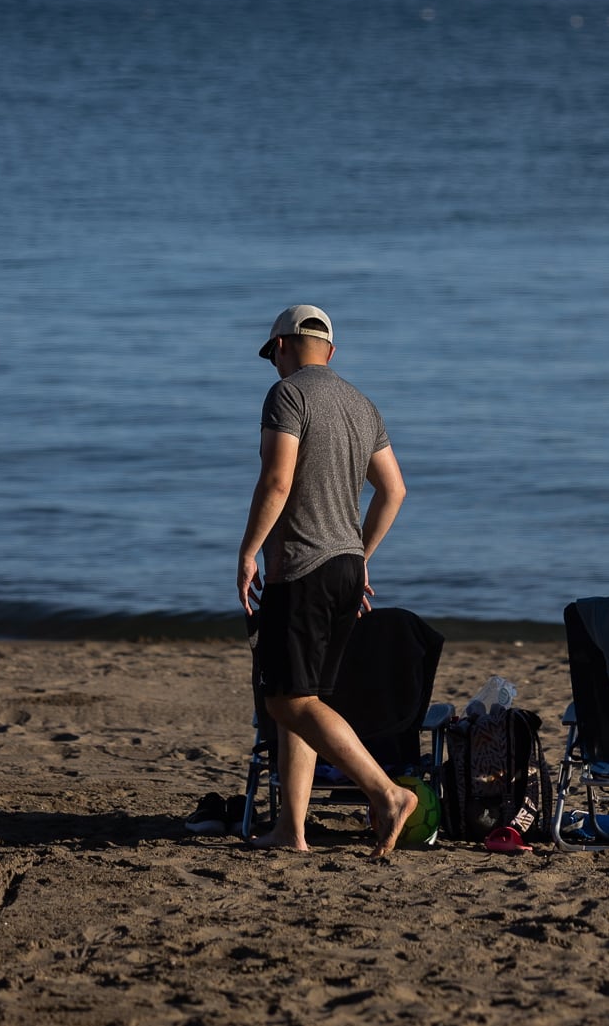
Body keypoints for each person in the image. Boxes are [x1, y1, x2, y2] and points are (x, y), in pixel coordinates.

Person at [236, 304, 416, 857]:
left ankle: (386, 793)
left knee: (285, 703)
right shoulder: (363, 405)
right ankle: (291, 830)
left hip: (302, 570)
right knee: (301, 696)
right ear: (331, 352)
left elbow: (277, 479)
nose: (274, 366)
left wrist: (247, 554)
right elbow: (394, 491)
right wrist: (360, 555)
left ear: (284, 347)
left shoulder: (287, 395)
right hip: (345, 570)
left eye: (272, 356)